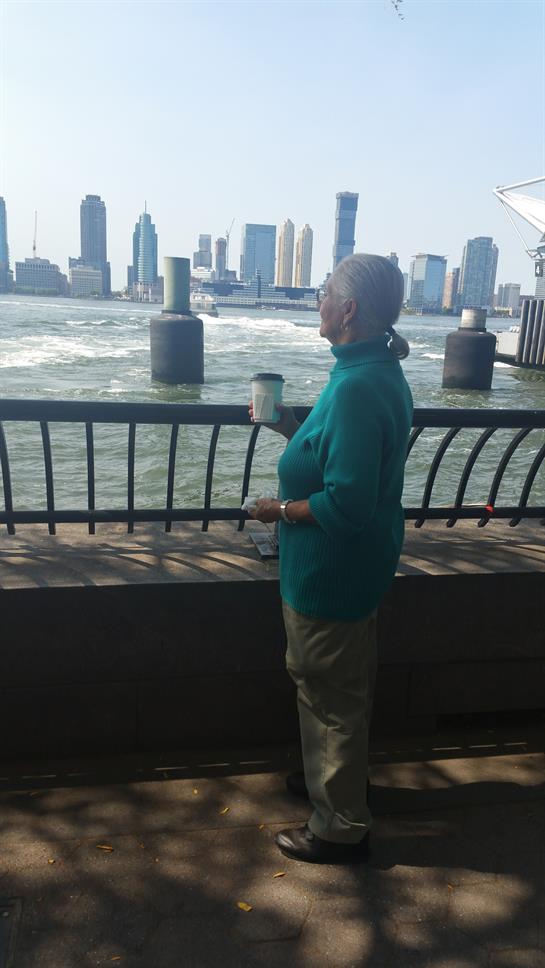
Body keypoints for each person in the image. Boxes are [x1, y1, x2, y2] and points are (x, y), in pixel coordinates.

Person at [248, 253, 413, 864]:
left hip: (330, 575)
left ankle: (340, 825)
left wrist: (279, 510)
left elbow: (345, 504)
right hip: (357, 571)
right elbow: (340, 457)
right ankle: (336, 782)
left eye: (322, 294)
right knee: (343, 690)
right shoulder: (371, 373)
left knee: (328, 697)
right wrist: (292, 426)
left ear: (347, 310)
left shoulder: (357, 386)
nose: (315, 303)